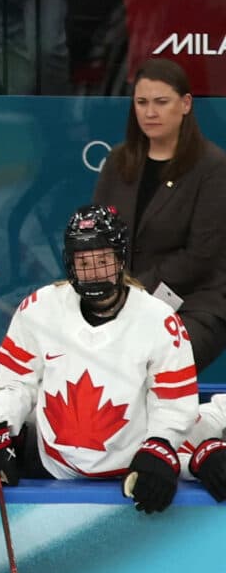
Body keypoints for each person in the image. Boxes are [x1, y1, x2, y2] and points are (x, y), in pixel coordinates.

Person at [0, 205, 197, 508]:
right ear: (69, 262)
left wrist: (160, 445)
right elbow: (15, 384)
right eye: (84, 262)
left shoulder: (159, 320)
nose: (94, 273)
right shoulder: (39, 308)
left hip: (128, 474)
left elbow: (173, 402)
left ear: (121, 259)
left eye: (103, 260)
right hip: (51, 466)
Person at [88, 61, 226, 368]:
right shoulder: (118, 161)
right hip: (118, 299)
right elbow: (95, 236)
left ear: (186, 104)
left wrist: (131, 293)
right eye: (142, 103)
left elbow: (201, 256)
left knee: (144, 359)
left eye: (161, 102)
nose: (150, 113)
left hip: (192, 302)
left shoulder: (213, 167)